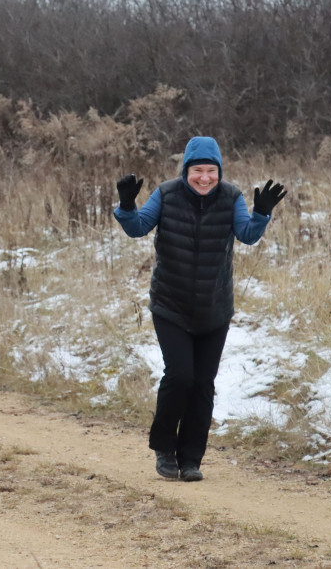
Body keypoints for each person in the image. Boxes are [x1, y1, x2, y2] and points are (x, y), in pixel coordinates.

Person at [114, 136, 287, 482]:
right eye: (197, 170)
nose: (204, 177)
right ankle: (164, 449)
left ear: (219, 172)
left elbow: (247, 234)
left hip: (214, 308)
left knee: (203, 384)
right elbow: (137, 228)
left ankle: (191, 459)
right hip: (171, 304)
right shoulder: (166, 194)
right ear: (186, 171)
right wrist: (127, 205)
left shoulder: (232, 197)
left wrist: (263, 213)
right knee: (180, 377)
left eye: (211, 171)